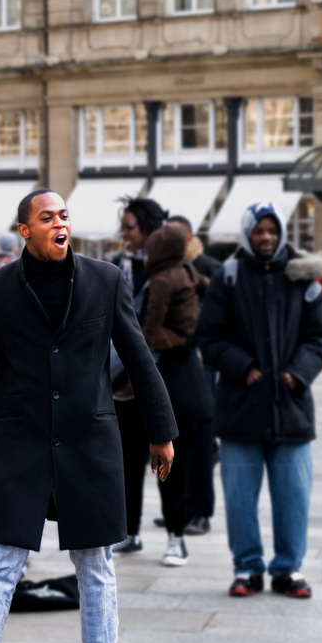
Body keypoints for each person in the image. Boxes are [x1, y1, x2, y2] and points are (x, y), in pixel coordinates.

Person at [0, 189, 176, 643]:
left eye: (64, 215)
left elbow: (138, 358)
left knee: (95, 563)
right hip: (17, 442)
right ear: (24, 230)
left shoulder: (105, 279)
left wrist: (161, 432)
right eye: (47, 217)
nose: (59, 223)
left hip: (88, 441)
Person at [195, 200, 322, 599]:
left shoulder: (301, 277)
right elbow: (208, 336)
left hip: (290, 410)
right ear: (247, 234)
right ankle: (247, 568)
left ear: (282, 233)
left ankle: (288, 569)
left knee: (293, 497)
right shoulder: (229, 277)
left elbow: (321, 336)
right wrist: (244, 367)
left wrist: (298, 372)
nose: (267, 237)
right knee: (240, 500)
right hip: (241, 408)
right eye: (259, 231)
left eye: (273, 230)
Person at [140, 223, 213, 566]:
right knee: (181, 466)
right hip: (192, 380)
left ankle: (175, 537)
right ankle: (177, 532)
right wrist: (192, 329)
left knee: (168, 464)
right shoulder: (187, 269)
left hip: (168, 380)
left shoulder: (162, 280)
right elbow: (208, 290)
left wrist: (150, 338)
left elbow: (149, 328)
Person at [110, 196, 170, 555]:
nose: (125, 234)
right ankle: (129, 530)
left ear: (147, 227)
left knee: (164, 454)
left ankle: (175, 534)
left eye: (129, 227)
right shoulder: (119, 266)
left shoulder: (166, 269)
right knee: (128, 459)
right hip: (120, 379)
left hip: (158, 374)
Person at [167, 214, 222, 536]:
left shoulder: (206, 267)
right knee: (176, 440)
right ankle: (181, 507)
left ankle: (200, 510)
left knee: (200, 441)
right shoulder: (164, 269)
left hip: (200, 363)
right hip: (173, 366)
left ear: (188, 238)